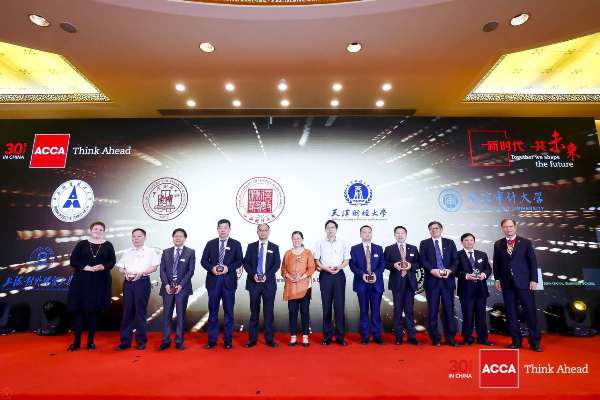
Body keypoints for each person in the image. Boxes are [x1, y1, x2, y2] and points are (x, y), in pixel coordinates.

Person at [493, 218, 542, 352]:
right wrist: (497, 279)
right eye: (505, 227)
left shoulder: (525, 242)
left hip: (524, 283)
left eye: (510, 226)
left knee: (530, 312)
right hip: (507, 283)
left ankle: (535, 342)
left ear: (515, 227)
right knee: (511, 313)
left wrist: (534, 280)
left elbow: (532, 262)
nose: (508, 229)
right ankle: (516, 341)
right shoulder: (498, 244)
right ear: (502, 228)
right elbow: (496, 264)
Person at [67, 221, 116, 351]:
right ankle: (76, 343)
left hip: (100, 282)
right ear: (90, 230)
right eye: (95, 229)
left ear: (104, 232)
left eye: (101, 229)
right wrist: (85, 267)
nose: (98, 231)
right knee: (79, 312)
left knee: (93, 312)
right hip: (81, 282)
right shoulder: (82, 244)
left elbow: (112, 262)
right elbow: (73, 261)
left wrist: (103, 266)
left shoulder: (108, 245)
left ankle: (90, 343)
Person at [200, 219, 243, 349]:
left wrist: (228, 268)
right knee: (213, 312)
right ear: (217, 229)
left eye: (225, 227)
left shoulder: (236, 244)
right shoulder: (210, 243)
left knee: (229, 312)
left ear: (229, 229)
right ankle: (212, 340)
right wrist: (211, 268)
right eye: (220, 227)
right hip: (213, 281)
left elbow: (240, 261)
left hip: (229, 282)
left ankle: (228, 341)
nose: (223, 230)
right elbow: (203, 260)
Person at [115, 228, 160, 351]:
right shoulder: (127, 252)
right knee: (127, 311)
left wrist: (142, 273)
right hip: (128, 283)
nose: (136, 239)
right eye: (134, 236)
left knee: (140, 311)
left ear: (144, 238)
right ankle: (125, 341)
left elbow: (154, 267)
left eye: (139, 236)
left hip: (142, 282)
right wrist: (125, 272)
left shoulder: (151, 251)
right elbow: (120, 267)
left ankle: (141, 341)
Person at [419, 221, 458, 346]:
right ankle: (435, 338)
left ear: (441, 229)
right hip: (432, 281)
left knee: (449, 310)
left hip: (447, 281)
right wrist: (432, 270)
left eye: (436, 228)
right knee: (432, 310)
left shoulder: (449, 242)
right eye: (431, 228)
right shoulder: (424, 243)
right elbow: (422, 260)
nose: (434, 230)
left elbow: (455, 260)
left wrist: (450, 270)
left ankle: (450, 338)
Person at [242, 223, 281, 348]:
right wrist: (253, 274)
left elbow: (277, 264)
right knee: (254, 312)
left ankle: (269, 339)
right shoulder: (251, 246)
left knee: (268, 312)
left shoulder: (274, 247)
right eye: (260, 230)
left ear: (269, 232)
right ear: (257, 232)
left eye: (265, 230)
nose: (263, 232)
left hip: (268, 284)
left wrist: (266, 276)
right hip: (254, 283)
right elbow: (246, 263)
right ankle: (252, 339)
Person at [314, 219, 350, 346]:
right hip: (325, 275)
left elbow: (347, 260)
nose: (330, 230)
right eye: (328, 228)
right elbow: (317, 260)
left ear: (336, 229)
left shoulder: (343, 242)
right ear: (325, 229)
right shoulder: (319, 243)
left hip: (339, 275)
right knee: (326, 306)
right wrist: (326, 268)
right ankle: (327, 336)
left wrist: (339, 267)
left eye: (333, 227)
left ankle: (340, 337)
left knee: (339, 307)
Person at [158, 228, 196, 351]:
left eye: (180, 236)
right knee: (166, 315)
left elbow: (190, 271)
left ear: (185, 238)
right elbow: (162, 270)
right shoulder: (166, 252)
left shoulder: (190, 252)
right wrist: (166, 285)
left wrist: (181, 285)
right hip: (167, 288)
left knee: (180, 315)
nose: (178, 238)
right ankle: (166, 340)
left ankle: (179, 341)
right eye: (176, 236)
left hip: (182, 289)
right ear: (173, 238)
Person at [384, 225, 420, 345]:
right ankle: (398, 337)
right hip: (397, 283)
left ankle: (411, 336)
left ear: (406, 234)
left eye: (402, 233)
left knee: (409, 310)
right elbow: (385, 263)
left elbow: (418, 263)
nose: (400, 235)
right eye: (397, 233)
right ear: (395, 235)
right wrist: (393, 265)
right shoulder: (389, 249)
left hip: (409, 282)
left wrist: (411, 266)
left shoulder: (413, 248)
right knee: (398, 310)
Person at [349, 225, 384, 345]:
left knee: (376, 311)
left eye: (369, 232)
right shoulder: (355, 249)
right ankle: (364, 336)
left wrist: (375, 274)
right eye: (364, 232)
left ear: (372, 234)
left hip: (376, 284)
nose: (367, 234)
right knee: (363, 311)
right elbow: (352, 265)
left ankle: (377, 335)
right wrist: (362, 274)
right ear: (360, 234)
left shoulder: (378, 248)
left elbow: (382, 265)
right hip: (361, 283)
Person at [456, 233, 493, 346]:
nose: (469, 242)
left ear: (474, 241)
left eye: (471, 240)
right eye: (466, 240)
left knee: (481, 315)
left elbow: (488, 269)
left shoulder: (482, 254)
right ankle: (467, 338)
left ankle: (482, 338)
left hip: (481, 290)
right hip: (465, 290)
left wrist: (484, 274)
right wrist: (466, 275)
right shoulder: (457, 255)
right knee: (467, 315)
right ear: (462, 242)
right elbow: (455, 271)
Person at [281, 231, 316, 347]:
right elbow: (283, 268)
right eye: (294, 238)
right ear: (291, 239)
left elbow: (312, 268)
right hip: (291, 287)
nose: (296, 240)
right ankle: (293, 337)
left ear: (302, 239)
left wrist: (302, 277)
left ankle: (305, 337)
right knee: (292, 312)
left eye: (298, 238)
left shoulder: (308, 252)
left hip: (305, 287)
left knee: (305, 312)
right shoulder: (287, 253)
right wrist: (289, 276)